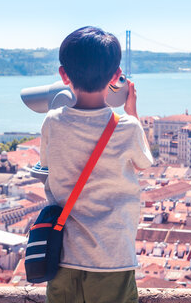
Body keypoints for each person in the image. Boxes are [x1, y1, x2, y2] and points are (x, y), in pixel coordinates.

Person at [40, 26, 154, 303]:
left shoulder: (52, 122)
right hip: (112, 257)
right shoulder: (127, 127)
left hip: (63, 256)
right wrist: (132, 112)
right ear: (116, 77)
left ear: (63, 75)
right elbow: (143, 163)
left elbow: (45, 166)